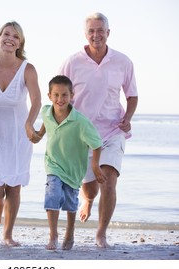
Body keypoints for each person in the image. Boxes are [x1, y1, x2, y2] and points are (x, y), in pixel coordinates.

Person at [59, 12, 138, 248]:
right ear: (86, 35)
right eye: (91, 31)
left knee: (109, 181)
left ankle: (101, 234)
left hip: (112, 131)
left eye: (100, 30)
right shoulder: (71, 62)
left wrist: (128, 117)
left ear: (108, 33)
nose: (96, 35)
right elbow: (58, 95)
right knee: (90, 189)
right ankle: (88, 201)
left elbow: (132, 95)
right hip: (81, 135)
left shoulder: (123, 62)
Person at [0, 21, 42, 246]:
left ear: (20, 42)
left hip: (18, 137)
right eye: (6, 34)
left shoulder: (27, 69)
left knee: (13, 187)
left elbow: (37, 101)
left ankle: (7, 235)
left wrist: (29, 124)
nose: (9, 38)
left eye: (15, 36)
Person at [33, 75, 106, 250]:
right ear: (49, 96)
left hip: (73, 169)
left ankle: (70, 231)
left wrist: (95, 167)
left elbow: (96, 144)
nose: (60, 99)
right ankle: (53, 235)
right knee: (53, 194)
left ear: (72, 95)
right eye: (56, 95)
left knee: (70, 202)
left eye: (64, 95)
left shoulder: (80, 122)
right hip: (53, 164)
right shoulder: (45, 111)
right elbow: (44, 127)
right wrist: (36, 134)